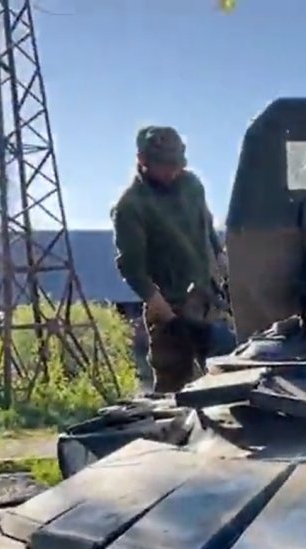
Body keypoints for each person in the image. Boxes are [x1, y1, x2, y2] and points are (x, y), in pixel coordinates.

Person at [110, 126, 227, 393]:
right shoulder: (131, 206)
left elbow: (207, 228)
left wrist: (221, 259)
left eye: (176, 164)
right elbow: (131, 266)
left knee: (227, 379)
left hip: (209, 301)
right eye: (164, 166)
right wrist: (160, 306)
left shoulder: (192, 185)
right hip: (169, 309)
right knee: (174, 390)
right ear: (142, 161)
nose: (172, 172)